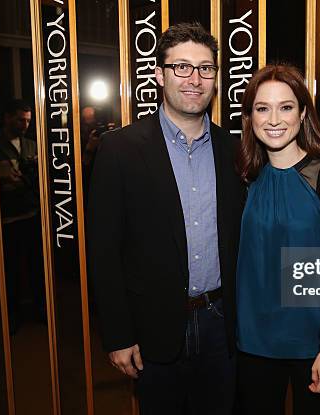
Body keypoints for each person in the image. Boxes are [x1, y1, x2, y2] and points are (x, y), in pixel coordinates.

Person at [87, 23, 245, 415]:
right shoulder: (119, 149)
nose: (195, 79)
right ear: (159, 75)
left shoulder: (235, 150)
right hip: (151, 329)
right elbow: (103, 252)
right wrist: (117, 335)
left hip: (221, 325)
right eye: (182, 67)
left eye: (206, 69)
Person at [236, 64, 320, 414]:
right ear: (250, 116)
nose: (274, 119)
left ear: (303, 113)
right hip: (252, 343)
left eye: (286, 107)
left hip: (313, 343)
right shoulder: (244, 177)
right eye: (262, 108)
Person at [0, 99, 45, 334]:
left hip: (33, 214)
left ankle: (40, 310)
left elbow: (38, 181)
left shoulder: (32, 145)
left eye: (27, 120)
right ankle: (11, 315)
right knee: (11, 270)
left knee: (37, 267)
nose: (24, 124)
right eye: (20, 119)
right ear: (6, 118)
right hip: (6, 218)